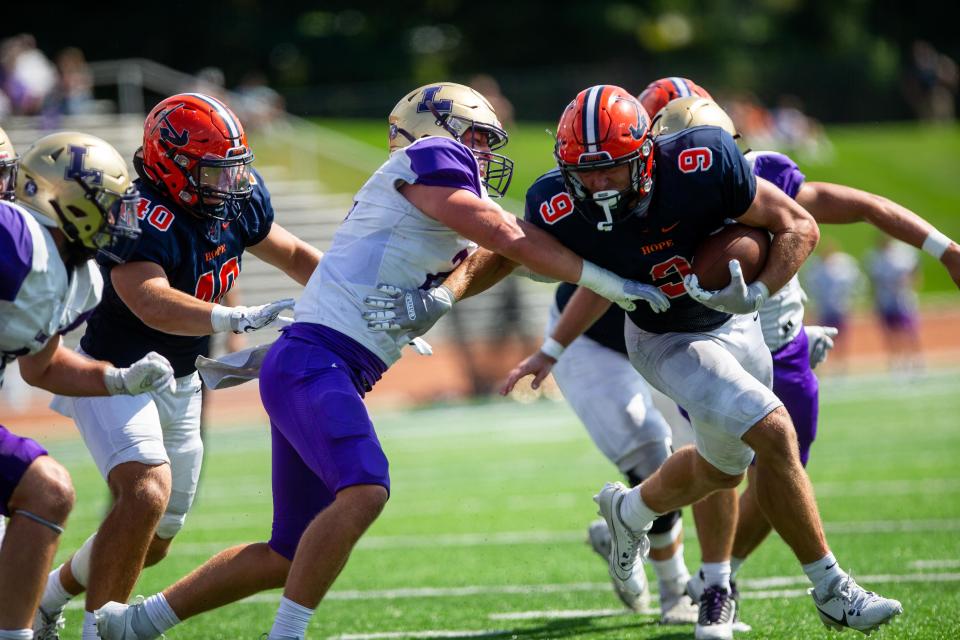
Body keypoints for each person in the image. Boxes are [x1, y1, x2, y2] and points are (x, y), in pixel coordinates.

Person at [92, 82, 666, 640]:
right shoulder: (433, 155)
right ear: (438, 131)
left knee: (286, 552)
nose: (487, 151)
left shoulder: (439, 188)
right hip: (317, 361)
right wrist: (608, 281)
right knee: (366, 488)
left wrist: (445, 293)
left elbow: (500, 250)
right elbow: (507, 236)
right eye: (478, 137)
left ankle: (136, 623)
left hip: (318, 363)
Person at [33, 93, 323, 640]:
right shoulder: (137, 210)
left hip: (183, 380)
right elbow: (149, 299)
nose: (227, 183)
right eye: (212, 171)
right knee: (144, 490)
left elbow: (296, 255)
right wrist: (236, 316)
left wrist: (353, 303)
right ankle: (103, 631)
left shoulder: (237, 198)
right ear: (171, 163)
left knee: (157, 537)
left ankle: (47, 596)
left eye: (231, 169)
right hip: (116, 373)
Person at [0, 127, 175, 640]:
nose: (124, 218)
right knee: (46, 489)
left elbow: (43, 368)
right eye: (110, 205)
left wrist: (118, 380)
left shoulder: (80, 276)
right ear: (66, 202)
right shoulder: (15, 239)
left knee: (45, 493)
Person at [866, 238, 924, 372]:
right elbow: (874, 281)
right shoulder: (875, 258)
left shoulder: (903, 255)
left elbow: (915, 270)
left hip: (902, 299)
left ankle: (916, 360)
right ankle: (897, 362)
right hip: (886, 300)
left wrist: (912, 282)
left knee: (909, 331)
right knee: (891, 333)